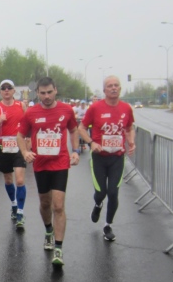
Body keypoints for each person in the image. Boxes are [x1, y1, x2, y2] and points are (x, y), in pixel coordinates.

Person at [17, 77, 80, 267]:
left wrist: (75, 151)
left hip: (60, 163)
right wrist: (25, 152)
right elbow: (20, 134)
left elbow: (74, 130)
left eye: (49, 92)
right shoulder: (31, 113)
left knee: (58, 206)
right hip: (41, 164)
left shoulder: (66, 110)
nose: (46, 96)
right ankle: (48, 230)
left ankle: (58, 248)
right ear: (37, 93)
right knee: (45, 203)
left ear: (55, 90)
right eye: (43, 93)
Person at [79, 76, 136, 242]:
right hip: (99, 157)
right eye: (110, 86)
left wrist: (131, 141)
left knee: (113, 192)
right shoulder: (95, 108)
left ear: (120, 88)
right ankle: (98, 204)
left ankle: (108, 225)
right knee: (101, 192)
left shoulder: (126, 108)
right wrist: (91, 143)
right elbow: (81, 128)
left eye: (116, 85)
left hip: (117, 157)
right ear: (104, 90)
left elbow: (130, 128)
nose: (113, 88)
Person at [0, 80, 27, 228]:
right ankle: (14, 204)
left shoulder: (21, 105)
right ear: (0, 92)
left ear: (14, 90)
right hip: (3, 146)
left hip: (19, 145)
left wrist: (29, 145)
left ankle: (20, 212)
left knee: (20, 180)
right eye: (3, 88)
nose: (6, 90)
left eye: (9, 88)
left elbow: (29, 124)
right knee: (9, 180)